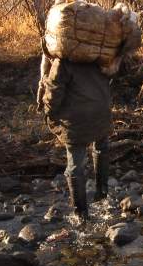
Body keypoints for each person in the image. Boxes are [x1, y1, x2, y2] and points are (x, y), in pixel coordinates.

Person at [37, 55, 111, 222]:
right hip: (101, 111)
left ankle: (81, 214)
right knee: (101, 147)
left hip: (75, 118)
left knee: (75, 163)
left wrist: (48, 111)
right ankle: (102, 196)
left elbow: (54, 90)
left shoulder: (62, 60)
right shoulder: (100, 53)